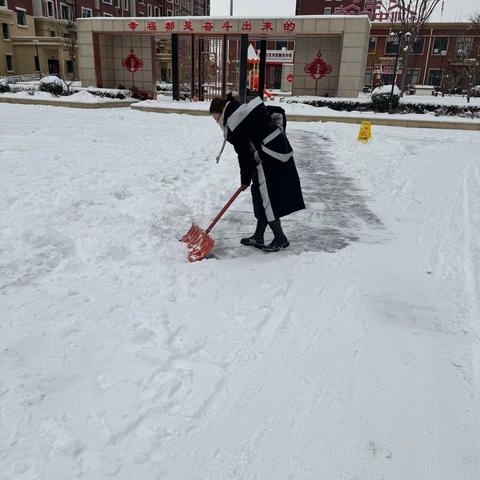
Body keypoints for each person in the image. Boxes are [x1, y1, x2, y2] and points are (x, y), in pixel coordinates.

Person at [210, 94, 305, 252]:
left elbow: (244, 154)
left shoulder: (234, 122)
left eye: (215, 118)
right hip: (270, 152)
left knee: (267, 198)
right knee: (259, 195)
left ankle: (280, 238)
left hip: (268, 157)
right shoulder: (240, 111)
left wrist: (245, 178)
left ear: (220, 112)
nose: (216, 122)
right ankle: (259, 236)